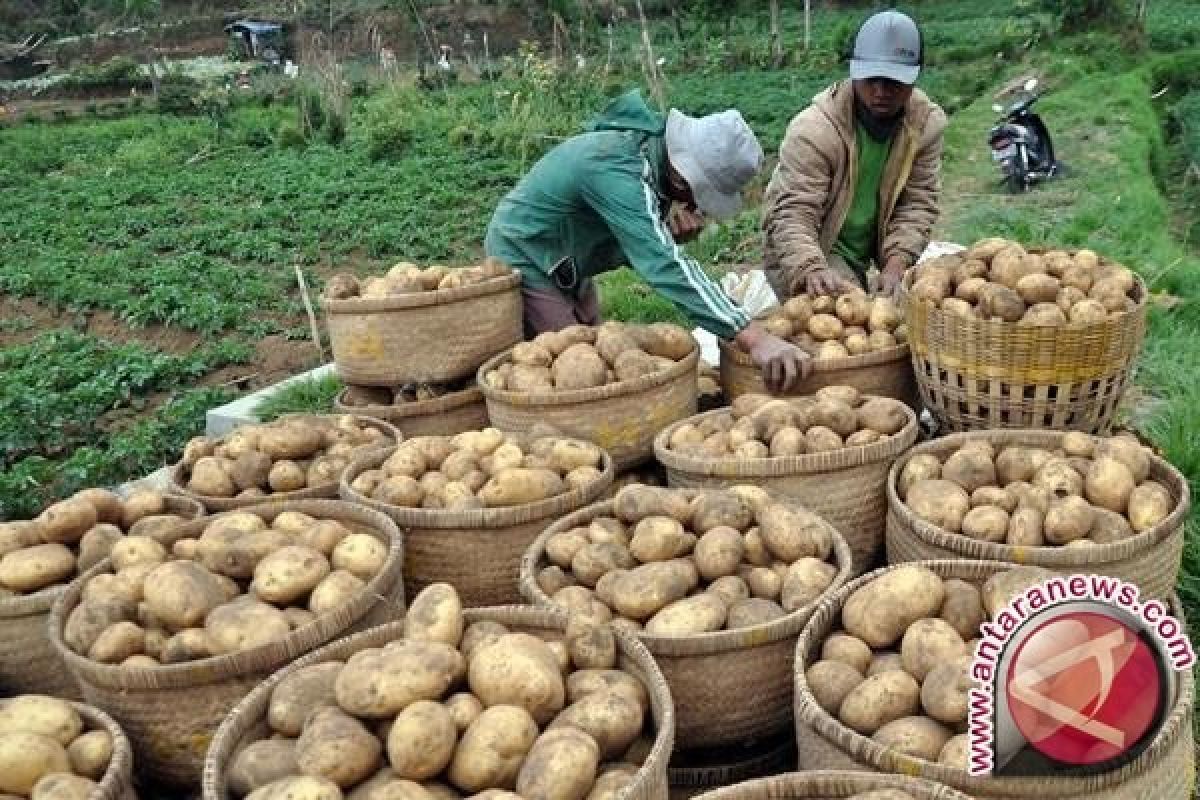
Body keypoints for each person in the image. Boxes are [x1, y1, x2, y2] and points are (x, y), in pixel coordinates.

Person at [485, 88, 812, 393]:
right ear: (683, 174)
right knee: (574, 372)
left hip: (567, 262)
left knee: (599, 354)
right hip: (524, 252)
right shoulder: (619, 167)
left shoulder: (646, 158)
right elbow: (662, 263)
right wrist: (752, 337)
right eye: (697, 195)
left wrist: (666, 236)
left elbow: (636, 241)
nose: (696, 207)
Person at [762, 10, 947, 300]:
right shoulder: (813, 131)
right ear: (853, 70)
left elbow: (918, 203)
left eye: (894, 81)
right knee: (836, 332)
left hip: (861, 252)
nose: (881, 91)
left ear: (916, 76)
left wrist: (897, 264)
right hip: (810, 248)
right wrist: (810, 269)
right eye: (871, 79)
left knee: (893, 317)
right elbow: (794, 213)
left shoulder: (924, 126)